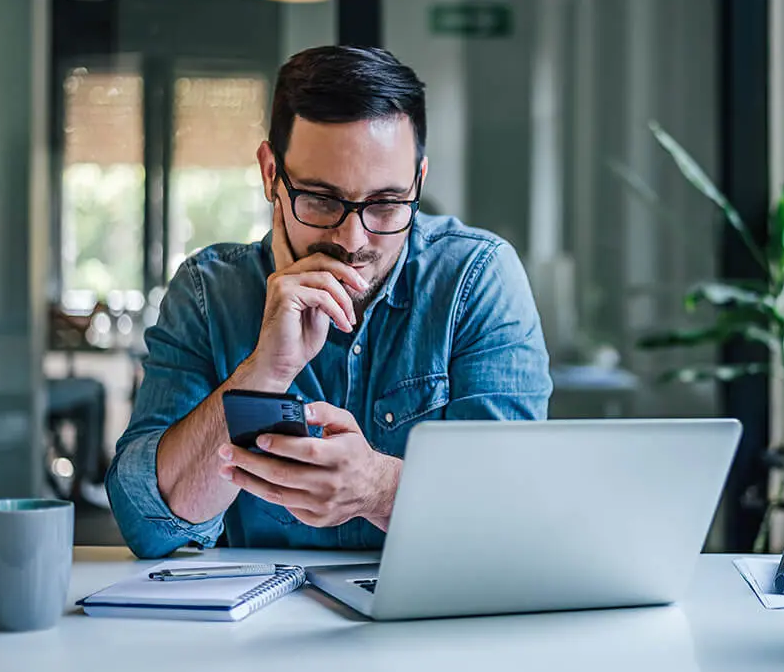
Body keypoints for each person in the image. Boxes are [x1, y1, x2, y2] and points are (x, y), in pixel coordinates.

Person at [106, 46, 552, 559]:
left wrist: (379, 489)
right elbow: (148, 525)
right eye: (320, 199)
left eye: (385, 204)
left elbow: (513, 515)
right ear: (271, 173)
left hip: (431, 626)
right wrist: (264, 373)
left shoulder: (476, 280)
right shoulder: (210, 293)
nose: (352, 238)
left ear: (419, 182)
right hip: (254, 632)